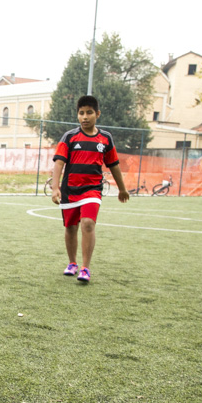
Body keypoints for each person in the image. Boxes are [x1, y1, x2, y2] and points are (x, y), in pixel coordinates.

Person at [50, 95, 129, 284]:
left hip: (92, 189)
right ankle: (72, 263)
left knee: (87, 224)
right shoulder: (69, 137)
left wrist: (122, 189)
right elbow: (59, 164)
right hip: (70, 189)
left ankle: (85, 268)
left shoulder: (106, 138)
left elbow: (114, 165)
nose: (85, 117)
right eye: (81, 113)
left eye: (89, 113)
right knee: (70, 227)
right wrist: (55, 188)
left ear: (97, 114)